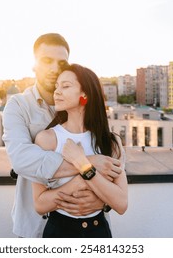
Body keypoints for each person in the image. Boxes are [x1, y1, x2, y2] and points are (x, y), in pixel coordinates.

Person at [2, 33, 123, 237]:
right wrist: (88, 164)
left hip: (90, 225)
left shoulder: (86, 109)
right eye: (46, 61)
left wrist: (104, 201)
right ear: (33, 65)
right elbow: (21, 159)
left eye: (61, 62)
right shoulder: (18, 106)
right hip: (35, 226)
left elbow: (108, 158)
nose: (54, 68)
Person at [32, 64, 128, 238]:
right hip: (58, 231)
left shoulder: (111, 142)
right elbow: (40, 204)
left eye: (66, 86)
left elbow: (121, 204)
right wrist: (82, 180)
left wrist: (82, 163)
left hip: (98, 232)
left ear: (85, 94)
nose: (57, 92)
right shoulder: (46, 139)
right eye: (57, 86)